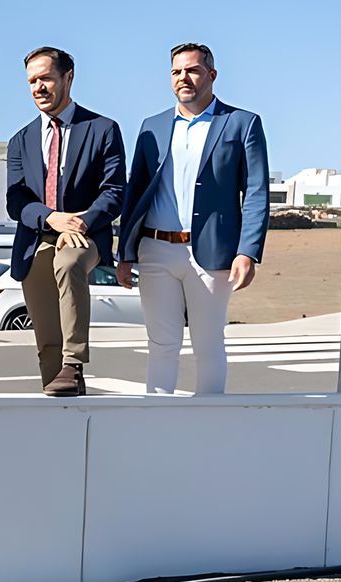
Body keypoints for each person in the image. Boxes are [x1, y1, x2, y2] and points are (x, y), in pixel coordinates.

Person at [117, 43, 269, 394]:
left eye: (193, 70)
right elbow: (135, 192)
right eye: (176, 72)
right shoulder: (151, 126)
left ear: (211, 75)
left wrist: (248, 251)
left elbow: (257, 192)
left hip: (212, 253)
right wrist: (125, 252)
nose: (183, 78)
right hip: (155, 250)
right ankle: (156, 424)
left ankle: (209, 427)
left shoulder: (241, 124)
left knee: (208, 344)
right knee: (161, 345)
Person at [2, 47, 126, 396]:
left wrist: (81, 222)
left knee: (69, 261)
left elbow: (114, 191)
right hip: (37, 238)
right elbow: (16, 200)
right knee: (45, 334)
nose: (38, 87)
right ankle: (57, 386)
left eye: (46, 78)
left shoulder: (102, 129)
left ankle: (74, 364)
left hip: (85, 233)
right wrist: (52, 218)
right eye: (32, 81)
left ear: (68, 77)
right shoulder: (20, 140)